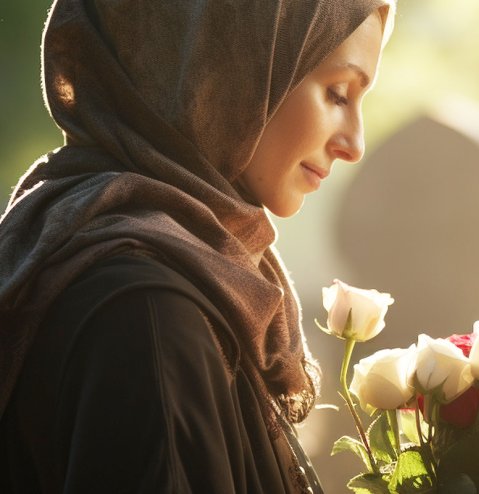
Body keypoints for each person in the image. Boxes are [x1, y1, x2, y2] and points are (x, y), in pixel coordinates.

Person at [0, 0, 394, 492]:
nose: (355, 144)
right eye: (337, 93)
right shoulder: (147, 317)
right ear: (231, 69)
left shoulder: (167, 265)